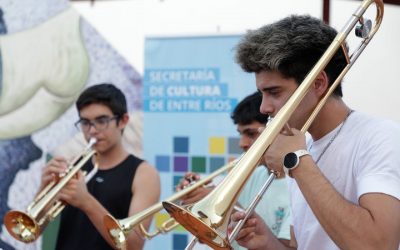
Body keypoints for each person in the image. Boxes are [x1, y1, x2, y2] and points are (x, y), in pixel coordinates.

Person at [229, 15, 400, 250]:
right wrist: (267, 242)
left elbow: (379, 245)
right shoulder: (301, 146)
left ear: (318, 83)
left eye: (274, 92)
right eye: (262, 93)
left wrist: (298, 162)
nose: (264, 108)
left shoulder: (380, 136)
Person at [39, 83, 160, 250]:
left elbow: (133, 245)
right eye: (85, 122)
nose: (92, 130)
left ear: (123, 121)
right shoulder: (73, 164)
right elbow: (34, 230)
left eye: (101, 121)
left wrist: (86, 201)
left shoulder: (144, 174)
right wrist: (43, 189)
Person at [177, 92, 291, 248]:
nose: (242, 143)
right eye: (241, 134)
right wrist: (196, 198)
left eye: (250, 133)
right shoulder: (250, 175)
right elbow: (208, 237)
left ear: (277, 130)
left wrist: (228, 208)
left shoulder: (298, 185)